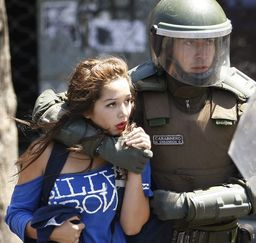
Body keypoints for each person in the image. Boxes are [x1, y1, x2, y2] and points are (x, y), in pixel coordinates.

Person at [31, 0, 256, 242]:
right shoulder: (135, 89)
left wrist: (188, 205)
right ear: (164, 44)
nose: (201, 52)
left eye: (209, 42)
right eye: (189, 42)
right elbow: (46, 110)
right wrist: (108, 148)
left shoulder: (242, 99)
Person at [6, 57, 153, 243]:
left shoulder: (134, 147)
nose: (124, 112)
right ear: (86, 110)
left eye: (128, 101)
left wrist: (134, 165)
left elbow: (132, 227)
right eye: (111, 104)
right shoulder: (46, 153)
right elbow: (16, 214)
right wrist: (48, 232)